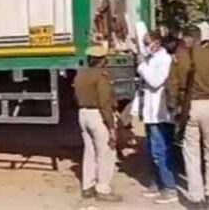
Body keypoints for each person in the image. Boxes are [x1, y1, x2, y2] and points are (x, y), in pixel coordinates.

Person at [168, 26, 209, 209]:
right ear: (200, 38)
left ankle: (196, 198)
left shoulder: (178, 59)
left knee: (191, 153)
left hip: (188, 107)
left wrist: (174, 106)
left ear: (186, 38)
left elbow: (172, 85)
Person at [132, 31, 178, 204]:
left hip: (160, 112)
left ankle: (169, 187)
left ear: (157, 43)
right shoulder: (151, 59)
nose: (145, 47)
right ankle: (158, 183)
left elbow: (155, 81)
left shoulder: (165, 60)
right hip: (150, 113)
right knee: (152, 149)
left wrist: (141, 66)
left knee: (161, 150)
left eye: (147, 43)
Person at [73, 46, 122, 202]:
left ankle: (87, 186)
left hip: (83, 113)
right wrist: (111, 127)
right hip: (97, 115)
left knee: (89, 152)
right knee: (106, 153)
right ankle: (103, 189)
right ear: (103, 60)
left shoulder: (80, 74)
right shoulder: (102, 76)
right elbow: (105, 103)